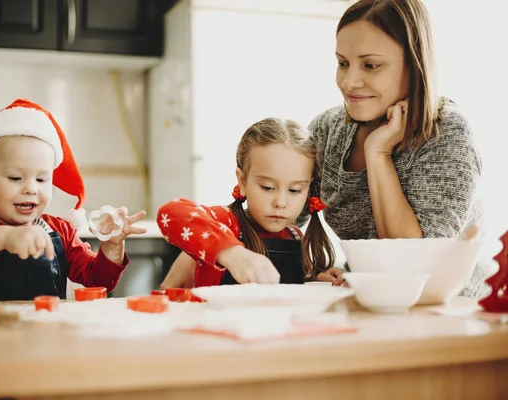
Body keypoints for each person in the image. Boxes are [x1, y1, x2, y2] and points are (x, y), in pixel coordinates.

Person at [161, 0, 487, 297]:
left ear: (414, 65)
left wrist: (378, 155)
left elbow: (412, 262)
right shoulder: (328, 130)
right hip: (367, 305)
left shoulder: (446, 133)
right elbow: (274, 216)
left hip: (448, 312)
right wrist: (208, 248)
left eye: (370, 65)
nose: (349, 82)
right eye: (343, 63)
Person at [0, 98, 147, 300]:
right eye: (15, 178)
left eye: (42, 179)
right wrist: (3, 237)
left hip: (45, 334)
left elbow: (98, 280)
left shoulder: (60, 231)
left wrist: (110, 247)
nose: (31, 189)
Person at [156, 118, 342, 286]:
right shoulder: (226, 222)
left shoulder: (295, 236)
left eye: (294, 190)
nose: (280, 202)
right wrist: (232, 253)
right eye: (268, 187)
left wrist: (316, 280)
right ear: (242, 181)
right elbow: (171, 212)